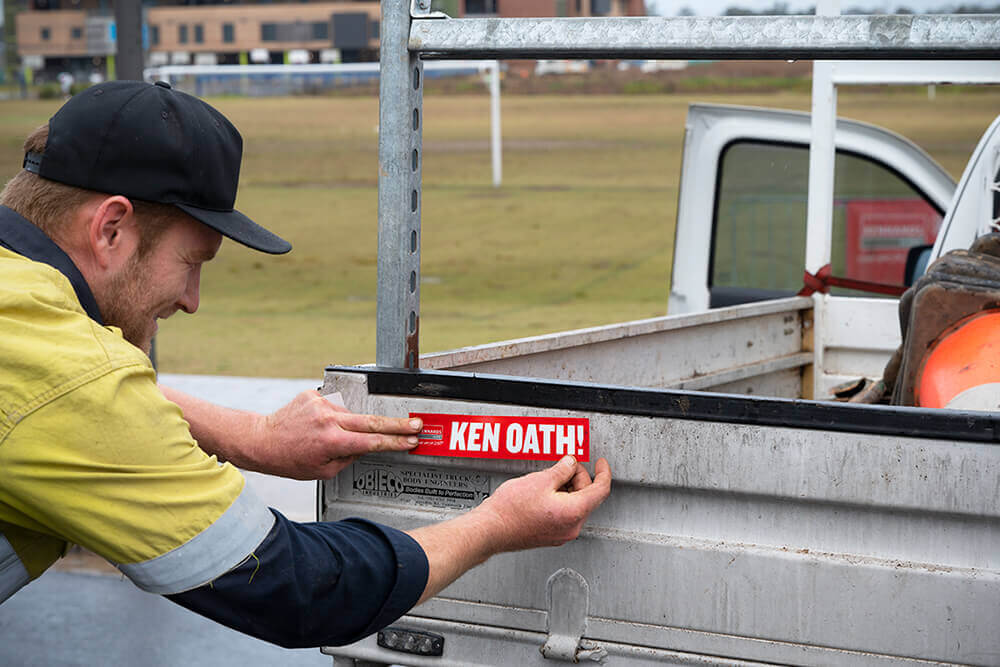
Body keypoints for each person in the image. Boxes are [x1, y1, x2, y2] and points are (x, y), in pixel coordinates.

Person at [0, 80, 611, 648]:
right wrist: (496, 525)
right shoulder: (69, 375)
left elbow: (62, 400)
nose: (191, 301)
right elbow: (300, 585)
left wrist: (252, 437)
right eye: (193, 262)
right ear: (111, 228)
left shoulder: (30, 326)